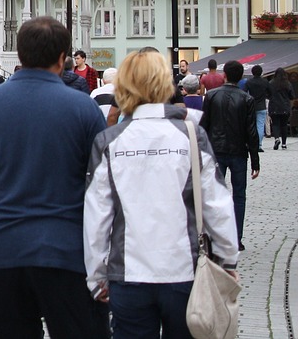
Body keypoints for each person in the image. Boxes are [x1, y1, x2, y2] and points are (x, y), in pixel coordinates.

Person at [0, 16, 109, 338]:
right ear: (63, 58)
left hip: (1, 249)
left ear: (19, 55)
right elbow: (105, 184)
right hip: (66, 250)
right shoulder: (83, 108)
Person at [83, 48, 238, 339]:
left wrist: (96, 275)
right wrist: (228, 259)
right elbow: (216, 203)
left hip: (128, 274)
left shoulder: (109, 141)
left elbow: (97, 214)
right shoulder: (191, 134)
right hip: (184, 271)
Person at [201, 59, 261, 249]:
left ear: (224, 75)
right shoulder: (247, 99)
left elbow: (204, 126)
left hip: (216, 150)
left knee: (214, 194)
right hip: (238, 152)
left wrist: (201, 152)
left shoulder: (211, 96)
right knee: (239, 195)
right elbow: (251, 131)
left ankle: (215, 237)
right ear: (241, 77)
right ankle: (237, 238)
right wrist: (255, 161)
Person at [244, 64, 271, 150]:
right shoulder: (265, 82)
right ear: (261, 72)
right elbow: (270, 92)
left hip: (251, 106)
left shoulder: (249, 82)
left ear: (252, 72)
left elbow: (244, 92)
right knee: (260, 125)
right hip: (262, 106)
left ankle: (251, 143)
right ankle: (259, 145)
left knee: (251, 125)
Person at [271, 69, 294, 150]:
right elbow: (292, 96)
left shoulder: (271, 83)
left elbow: (267, 94)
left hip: (274, 106)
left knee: (275, 124)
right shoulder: (287, 83)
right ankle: (284, 144)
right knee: (284, 125)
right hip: (285, 106)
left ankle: (277, 139)